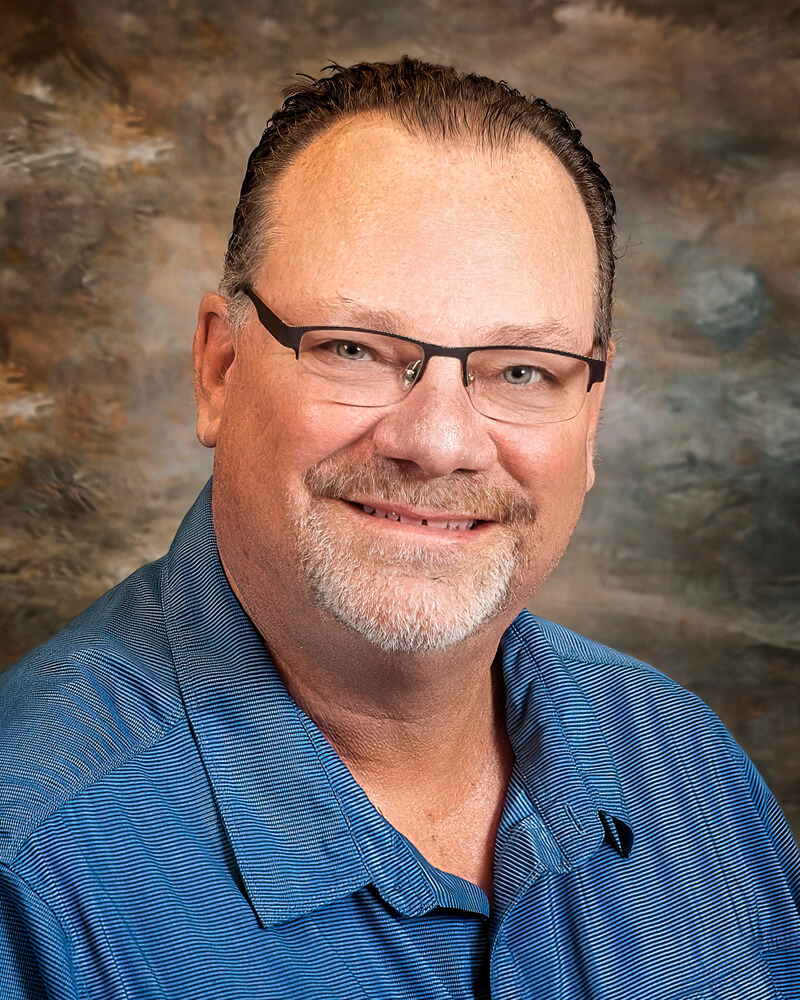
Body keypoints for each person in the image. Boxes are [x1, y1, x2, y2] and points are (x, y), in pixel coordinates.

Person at [0, 56, 797, 1000]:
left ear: (591, 417)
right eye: (353, 349)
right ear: (219, 370)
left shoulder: (687, 768)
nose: (439, 443)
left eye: (522, 370)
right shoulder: (31, 867)